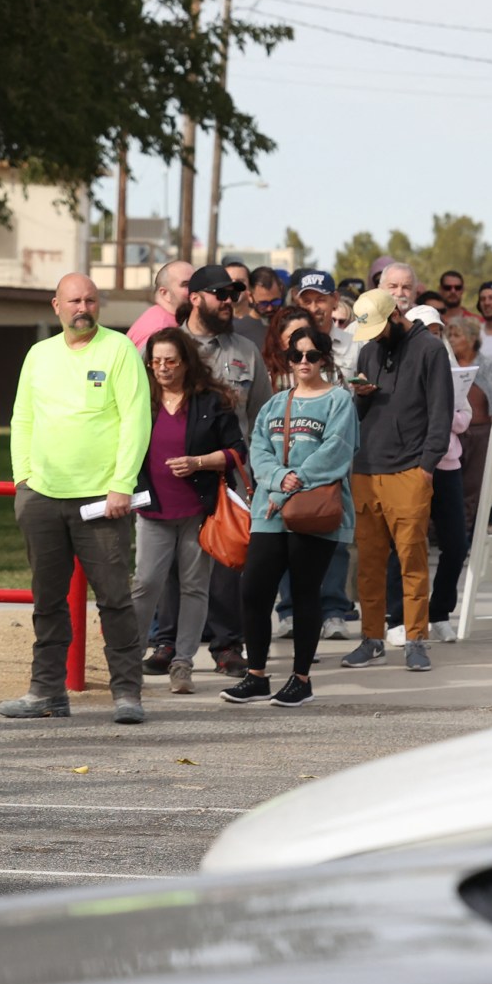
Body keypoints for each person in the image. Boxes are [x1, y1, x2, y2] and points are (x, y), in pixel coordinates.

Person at [0, 274, 150, 724]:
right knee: (47, 600)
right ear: (56, 306)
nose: (82, 307)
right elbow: (21, 418)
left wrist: (122, 483)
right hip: (42, 495)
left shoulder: (120, 349)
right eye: (73, 300)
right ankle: (46, 691)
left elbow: (135, 420)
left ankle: (127, 692)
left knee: (115, 599)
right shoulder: (38, 355)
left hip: (102, 499)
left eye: (90, 299)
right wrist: (22, 480)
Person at [222, 323, 358, 708]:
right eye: (296, 355)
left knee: (304, 592)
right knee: (254, 591)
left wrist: (291, 485)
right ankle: (257, 675)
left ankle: (301, 679)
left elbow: (336, 453)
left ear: (323, 359)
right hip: (270, 511)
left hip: (315, 510)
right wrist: (280, 480)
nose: (303, 362)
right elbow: (259, 451)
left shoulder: (339, 401)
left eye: (311, 355)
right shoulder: (274, 403)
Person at [340, 283, 453, 673]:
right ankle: (371, 639)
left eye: (376, 328)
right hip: (366, 469)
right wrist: (363, 395)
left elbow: (442, 412)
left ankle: (416, 639)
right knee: (369, 564)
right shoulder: (371, 348)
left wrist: (426, 466)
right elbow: (359, 408)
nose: (371, 339)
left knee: (412, 560)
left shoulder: (431, 350)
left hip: (409, 470)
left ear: (394, 316)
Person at [132, 328, 245, 695]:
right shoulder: (139, 398)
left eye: (171, 361)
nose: (162, 368)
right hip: (152, 508)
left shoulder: (211, 401)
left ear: (186, 362)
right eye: (156, 361)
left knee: (195, 587)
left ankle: (183, 664)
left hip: (198, 510)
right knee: (146, 583)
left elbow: (235, 452)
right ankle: (128, 660)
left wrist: (198, 462)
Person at [176, 264, 272, 675]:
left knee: (229, 558)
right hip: (175, 471)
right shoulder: (168, 346)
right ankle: (166, 641)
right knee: (168, 562)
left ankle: (228, 645)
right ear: (195, 298)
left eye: (233, 293)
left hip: (230, 476)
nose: (229, 300)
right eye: (220, 293)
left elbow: (262, 414)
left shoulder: (245, 352)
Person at [384, 307, 472, 643]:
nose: (431, 335)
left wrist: (440, 415)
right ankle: (397, 618)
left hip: (447, 466)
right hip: (410, 465)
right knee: (403, 544)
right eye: (425, 328)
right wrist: (434, 414)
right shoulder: (401, 363)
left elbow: (465, 417)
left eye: (437, 330)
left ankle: (439, 612)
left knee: (455, 544)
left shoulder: (450, 367)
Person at [444, 313, 492, 535]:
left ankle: (467, 532)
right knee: (451, 486)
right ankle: (448, 532)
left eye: (456, 335)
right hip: (452, 434)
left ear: (471, 338)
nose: (451, 339)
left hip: (481, 435)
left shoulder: (488, 366)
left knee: (474, 486)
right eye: (449, 334)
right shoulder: (446, 363)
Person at [291, 269, 359, 381]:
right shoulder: (290, 345)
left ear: (335, 299)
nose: (313, 309)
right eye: (307, 302)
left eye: (320, 300)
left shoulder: (354, 345)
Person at [127, 260, 193, 348]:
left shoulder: (157, 316)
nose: (195, 289)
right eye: (186, 285)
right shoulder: (160, 332)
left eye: (196, 282)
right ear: (165, 293)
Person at [222, 260, 267, 349]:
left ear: (249, 286)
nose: (234, 285)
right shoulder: (213, 321)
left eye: (240, 281)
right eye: (229, 281)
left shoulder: (263, 323)